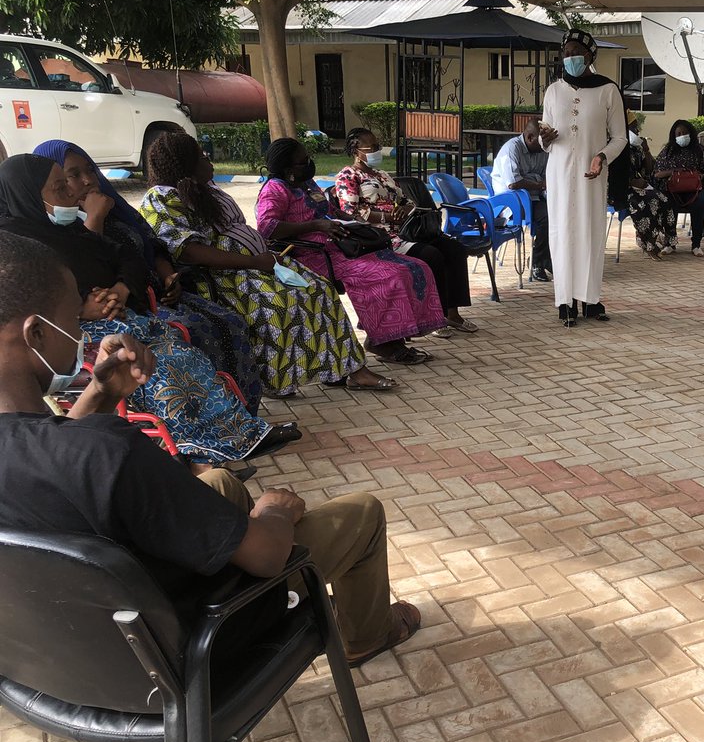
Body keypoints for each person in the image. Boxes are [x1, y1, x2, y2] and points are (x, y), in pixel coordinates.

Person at [0, 231, 420, 667]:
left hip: (69, 656)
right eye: (73, 319)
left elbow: (47, 453)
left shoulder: (62, 450)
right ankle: (368, 634)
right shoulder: (112, 453)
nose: (82, 333)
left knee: (219, 481)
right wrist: (274, 511)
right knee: (363, 512)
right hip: (191, 645)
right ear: (35, 334)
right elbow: (266, 555)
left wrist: (103, 392)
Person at [0, 154, 295, 469]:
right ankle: (194, 457)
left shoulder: (72, 229)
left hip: (119, 316)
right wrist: (82, 304)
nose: (73, 193)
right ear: (29, 195)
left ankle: (240, 436)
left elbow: (127, 257)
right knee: (158, 370)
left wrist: (121, 289)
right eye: (60, 188)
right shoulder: (17, 243)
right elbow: (25, 299)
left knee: (187, 355)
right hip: (73, 331)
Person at [141, 132, 397, 396]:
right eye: (201, 156)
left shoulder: (205, 188)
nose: (209, 160)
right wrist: (252, 261)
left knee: (320, 290)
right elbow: (189, 251)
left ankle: (351, 370)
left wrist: (261, 259)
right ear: (184, 163)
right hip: (223, 274)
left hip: (259, 261)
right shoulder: (160, 198)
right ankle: (275, 382)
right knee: (277, 305)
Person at [33, 139, 263, 413]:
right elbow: (86, 266)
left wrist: (168, 276)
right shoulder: (64, 226)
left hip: (150, 291)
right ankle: (209, 417)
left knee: (229, 321)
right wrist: (94, 219)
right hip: (122, 309)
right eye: (73, 175)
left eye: (90, 170)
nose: (86, 180)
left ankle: (244, 411)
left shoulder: (117, 210)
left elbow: (148, 248)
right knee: (197, 332)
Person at [256, 138, 445, 362]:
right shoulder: (275, 189)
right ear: (288, 169)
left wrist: (352, 221)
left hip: (340, 246)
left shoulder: (307, 184)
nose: (309, 162)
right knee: (389, 276)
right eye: (303, 160)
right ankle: (384, 343)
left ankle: (391, 337)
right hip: (313, 255)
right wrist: (315, 225)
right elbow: (267, 227)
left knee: (414, 267)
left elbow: (331, 208)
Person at [335, 128, 476, 334]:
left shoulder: (382, 175)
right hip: (382, 237)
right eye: (372, 147)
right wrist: (386, 217)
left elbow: (407, 201)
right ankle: (434, 317)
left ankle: (452, 313)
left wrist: (403, 209)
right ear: (357, 151)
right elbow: (350, 211)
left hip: (408, 230)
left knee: (454, 249)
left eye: (378, 146)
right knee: (432, 256)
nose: (377, 151)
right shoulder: (349, 175)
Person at [540, 28, 627, 326]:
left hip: (592, 175)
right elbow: (545, 138)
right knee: (562, 234)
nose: (571, 58)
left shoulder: (607, 90)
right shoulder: (553, 91)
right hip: (560, 175)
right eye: (566, 53)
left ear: (590, 55)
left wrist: (601, 157)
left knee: (589, 233)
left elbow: (620, 138)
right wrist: (545, 138)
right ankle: (565, 301)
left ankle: (590, 300)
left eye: (576, 52)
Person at [609, 110, 676, 258]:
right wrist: (631, 181)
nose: (637, 130)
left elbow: (649, 170)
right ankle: (648, 242)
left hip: (638, 187)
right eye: (633, 127)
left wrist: (646, 151)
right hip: (619, 189)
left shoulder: (636, 148)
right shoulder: (612, 148)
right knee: (645, 202)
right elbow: (609, 175)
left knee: (664, 199)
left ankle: (667, 240)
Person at [493, 120, 551, 281]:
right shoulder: (511, 149)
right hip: (512, 202)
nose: (545, 146)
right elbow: (513, 183)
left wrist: (542, 185)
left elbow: (548, 175)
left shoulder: (543, 150)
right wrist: (539, 184)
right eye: (541, 142)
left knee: (560, 213)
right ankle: (538, 263)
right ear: (530, 137)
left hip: (534, 197)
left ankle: (547, 258)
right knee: (548, 217)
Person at [654, 119, 704, 258]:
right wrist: (673, 172)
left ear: (691, 134)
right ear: (674, 136)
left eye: (684, 133)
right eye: (678, 133)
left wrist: (701, 176)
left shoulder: (700, 151)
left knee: (700, 203)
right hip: (673, 190)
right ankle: (670, 243)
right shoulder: (668, 151)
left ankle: (696, 244)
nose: (682, 135)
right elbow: (657, 173)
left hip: (695, 190)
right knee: (667, 203)